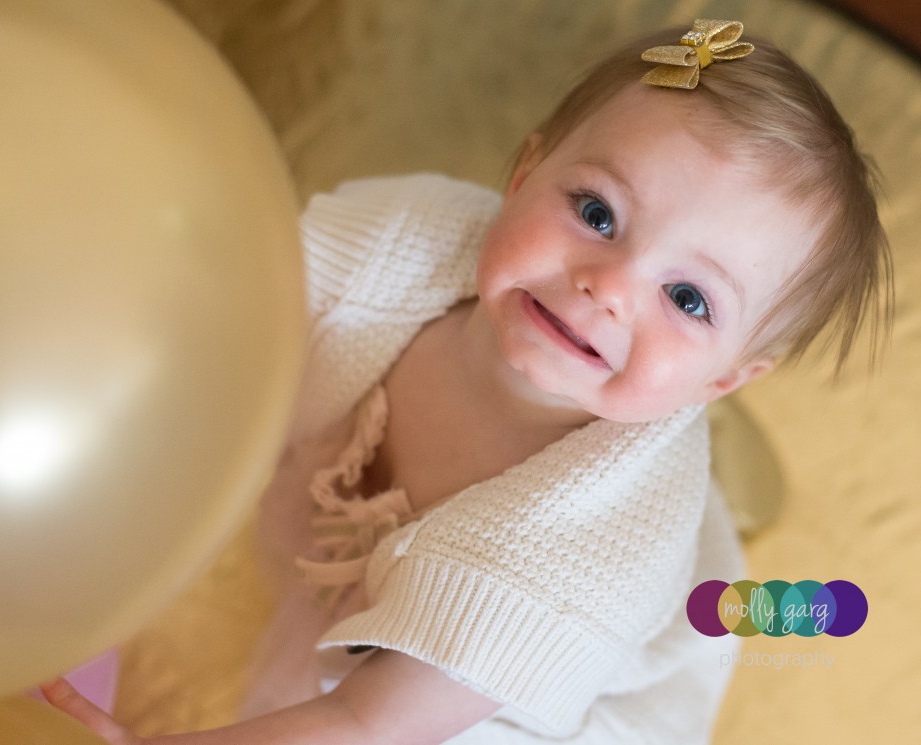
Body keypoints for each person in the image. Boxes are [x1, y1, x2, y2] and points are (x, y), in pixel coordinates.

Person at [43, 19, 892, 744]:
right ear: (522, 176)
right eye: (596, 212)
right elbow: (236, 315)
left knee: (310, 697)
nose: (608, 286)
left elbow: (365, 725)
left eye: (687, 297)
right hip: (395, 558)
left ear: (728, 377)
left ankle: (712, 483)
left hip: (509, 686)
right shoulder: (403, 240)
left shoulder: (591, 560)